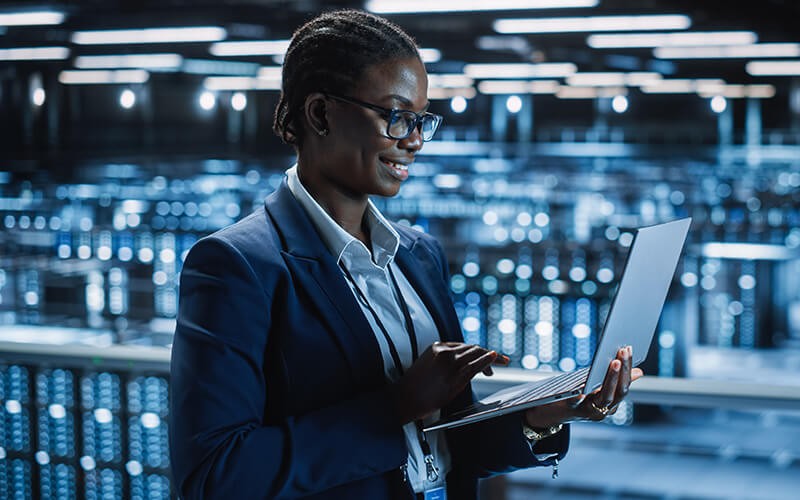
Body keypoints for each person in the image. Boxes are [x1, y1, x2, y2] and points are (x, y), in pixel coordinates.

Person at [169, 9, 642, 499]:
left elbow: (450, 446)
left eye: (421, 120)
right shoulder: (236, 267)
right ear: (320, 114)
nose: (414, 141)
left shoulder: (418, 255)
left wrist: (541, 417)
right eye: (395, 116)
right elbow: (212, 476)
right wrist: (394, 407)